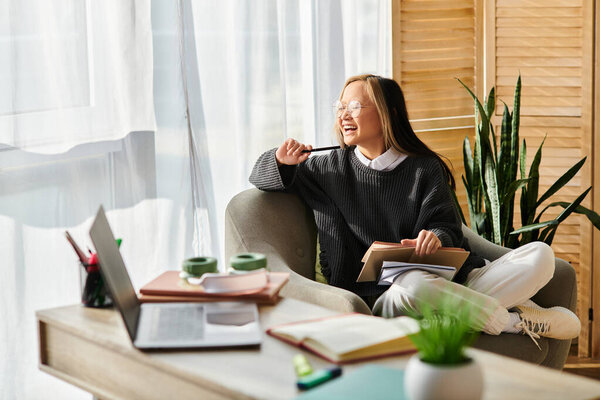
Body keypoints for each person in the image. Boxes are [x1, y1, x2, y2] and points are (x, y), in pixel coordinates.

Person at [249, 73, 580, 345]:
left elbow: (448, 228)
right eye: (340, 107)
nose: (343, 115)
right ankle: (514, 322)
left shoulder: (424, 168)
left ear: (387, 114)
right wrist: (280, 159)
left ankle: (456, 315)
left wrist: (434, 238)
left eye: (353, 106)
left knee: (541, 255)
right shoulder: (327, 170)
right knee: (413, 284)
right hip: (389, 296)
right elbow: (259, 177)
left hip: (453, 281)